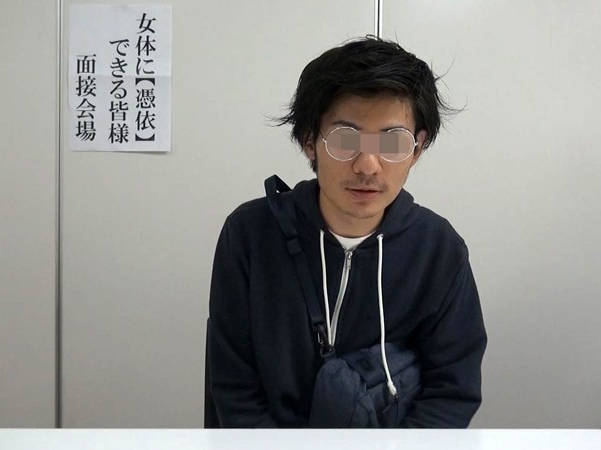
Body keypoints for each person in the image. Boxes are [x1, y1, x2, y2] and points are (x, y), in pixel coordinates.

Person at [208, 36, 487, 428]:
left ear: (417, 148)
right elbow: (234, 388)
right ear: (309, 141)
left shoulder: (438, 250)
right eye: (345, 139)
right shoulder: (250, 235)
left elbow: (451, 392)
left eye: (392, 142)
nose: (368, 165)